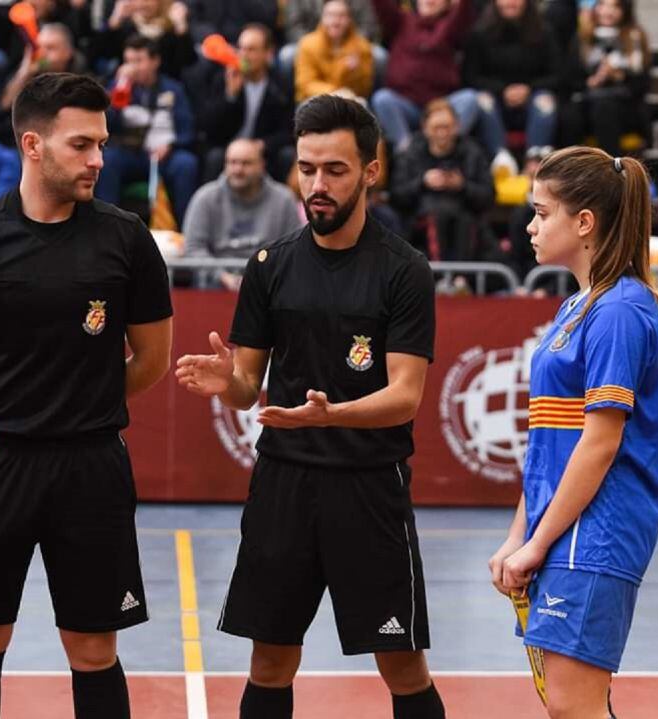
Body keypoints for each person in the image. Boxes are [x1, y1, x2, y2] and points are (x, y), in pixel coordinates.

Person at [177, 94, 445, 719]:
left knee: (402, 665)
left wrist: (332, 416)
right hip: (284, 485)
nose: (317, 185)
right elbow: (249, 384)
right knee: (269, 661)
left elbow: (405, 396)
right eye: (306, 169)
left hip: (369, 488)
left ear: (371, 171)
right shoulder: (270, 265)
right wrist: (230, 382)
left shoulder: (404, 271)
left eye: (335, 170)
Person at [0, 72, 173, 719]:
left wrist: (81, 400)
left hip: (90, 467)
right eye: (81, 144)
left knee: (93, 647)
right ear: (32, 145)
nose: (98, 159)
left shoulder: (126, 239)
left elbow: (151, 359)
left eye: (101, 144)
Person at [488, 146, 658, 719]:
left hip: (596, 535)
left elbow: (600, 443)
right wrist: (519, 535)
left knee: (574, 707)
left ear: (584, 223)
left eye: (543, 213)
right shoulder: (575, 306)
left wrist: (539, 542)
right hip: (562, 531)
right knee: (573, 706)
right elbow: (551, 440)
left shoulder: (619, 312)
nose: (531, 225)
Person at [96, 34, 200, 226]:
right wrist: (119, 91)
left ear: (155, 61)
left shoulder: (173, 89)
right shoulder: (116, 87)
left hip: (165, 154)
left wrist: (171, 145)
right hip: (130, 153)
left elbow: (187, 128)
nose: (132, 67)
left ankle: (187, 228)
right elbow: (104, 125)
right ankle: (105, 226)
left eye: (139, 61)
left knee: (186, 164)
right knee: (106, 161)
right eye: (128, 61)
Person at [183, 137, 302, 290]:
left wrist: (263, 279)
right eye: (232, 162)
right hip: (214, 289)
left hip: (268, 288)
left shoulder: (284, 199)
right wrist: (222, 277)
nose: (238, 169)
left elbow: (293, 250)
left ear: (261, 165)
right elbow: (193, 248)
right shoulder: (204, 198)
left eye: (246, 163)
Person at [462, 0, 561, 176]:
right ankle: (500, 158)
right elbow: (470, 77)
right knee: (481, 99)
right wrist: (502, 90)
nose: (511, 2)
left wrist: (528, 89)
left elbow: (558, 75)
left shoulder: (544, 31)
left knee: (546, 101)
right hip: (495, 103)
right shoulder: (479, 33)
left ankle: (535, 160)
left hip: (532, 99)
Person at [390, 99, 494, 263]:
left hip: (466, 224)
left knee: (467, 223)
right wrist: (423, 182)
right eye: (436, 128)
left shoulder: (472, 152)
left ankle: (461, 279)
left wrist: (462, 186)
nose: (442, 133)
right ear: (425, 128)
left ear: (457, 127)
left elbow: (488, 196)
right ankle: (438, 277)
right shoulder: (411, 153)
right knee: (435, 215)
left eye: (447, 127)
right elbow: (396, 196)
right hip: (420, 227)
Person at [370, 0, 477, 155]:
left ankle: (450, 148)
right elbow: (383, 6)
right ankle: (406, 150)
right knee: (382, 99)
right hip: (406, 105)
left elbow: (464, 12)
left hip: (440, 105)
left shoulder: (450, 25)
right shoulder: (402, 20)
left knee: (470, 99)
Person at [195, 23, 294, 183]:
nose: (244, 55)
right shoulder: (223, 78)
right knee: (214, 157)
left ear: (268, 53)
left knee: (286, 155)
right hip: (229, 149)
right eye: (241, 48)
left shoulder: (280, 84)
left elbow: (287, 130)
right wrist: (230, 97)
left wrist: (262, 145)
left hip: (263, 150)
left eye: (251, 49)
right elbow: (209, 129)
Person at [562, 0, 651, 156]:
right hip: (588, 102)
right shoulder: (582, 37)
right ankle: (570, 169)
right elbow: (570, 79)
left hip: (624, 106)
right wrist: (592, 81)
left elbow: (642, 84)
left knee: (604, 108)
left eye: (615, 6)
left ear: (625, 10)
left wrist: (618, 76)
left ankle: (611, 168)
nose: (608, 11)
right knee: (570, 115)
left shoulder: (634, 37)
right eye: (603, 4)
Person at [294, 0, 375, 104]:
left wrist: (356, 72)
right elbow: (305, 85)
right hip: (318, 99)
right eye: (330, 15)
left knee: (362, 104)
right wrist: (335, 92)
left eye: (341, 16)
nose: (335, 21)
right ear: (322, 18)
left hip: (350, 100)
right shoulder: (307, 45)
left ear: (349, 19)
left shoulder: (361, 46)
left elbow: (365, 89)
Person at [93, 0, 197, 80]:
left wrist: (181, 26)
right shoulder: (127, 26)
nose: (142, 4)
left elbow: (188, 60)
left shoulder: (171, 28)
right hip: (130, 85)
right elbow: (101, 53)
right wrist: (114, 20)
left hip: (165, 88)